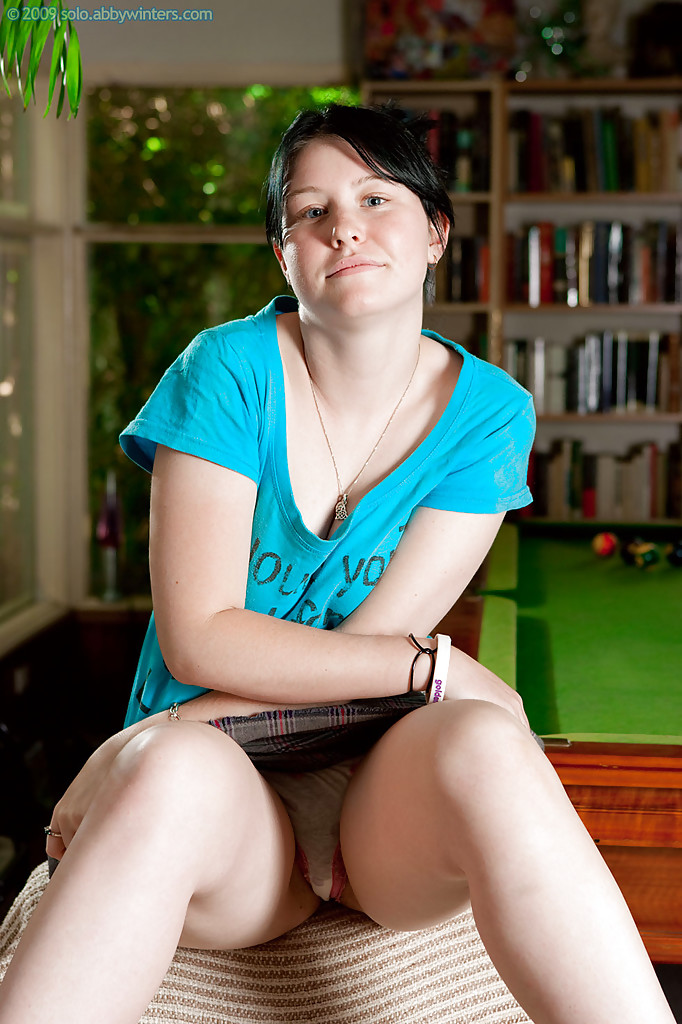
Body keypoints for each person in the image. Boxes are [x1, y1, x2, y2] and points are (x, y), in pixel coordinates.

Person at [0, 103, 674, 1024]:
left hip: (380, 808)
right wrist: (429, 667)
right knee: (168, 770)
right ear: (284, 256)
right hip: (221, 801)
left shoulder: (490, 414)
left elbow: (362, 661)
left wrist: (412, 670)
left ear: (436, 233)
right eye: (309, 211)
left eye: (375, 198)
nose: (343, 227)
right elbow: (203, 641)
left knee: (485, 743)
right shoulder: (225, 371)